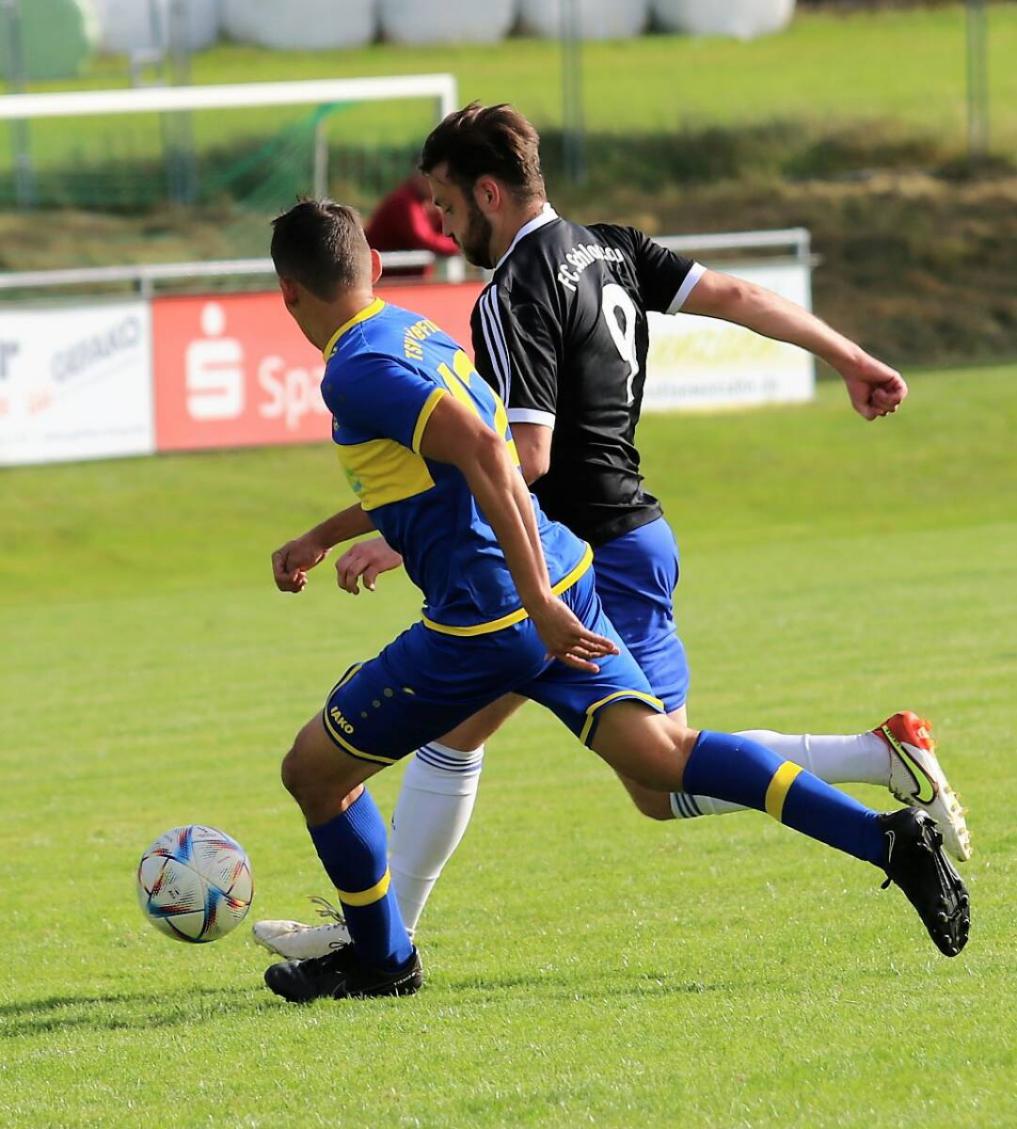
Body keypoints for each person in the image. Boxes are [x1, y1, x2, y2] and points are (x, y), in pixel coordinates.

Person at [255, 104, 971, 962]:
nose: (442, 226)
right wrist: (849, 355)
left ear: (489, 190)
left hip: (543, 570)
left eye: (445, 204)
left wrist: (410, 540)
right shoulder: (596, 251)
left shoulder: (503, 296)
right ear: (372, 265)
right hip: (593, 554)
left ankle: (382, 945)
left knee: (369, 767)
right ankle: (883, 827)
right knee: (654, 761)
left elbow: (510, 453)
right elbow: (735, 296)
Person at [364, 170, 459, 279]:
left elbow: (447, 230)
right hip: (386, 281)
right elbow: (424, 239)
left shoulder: (424, 203)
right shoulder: (404, 202)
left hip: (401, 280)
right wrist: (458, 245)